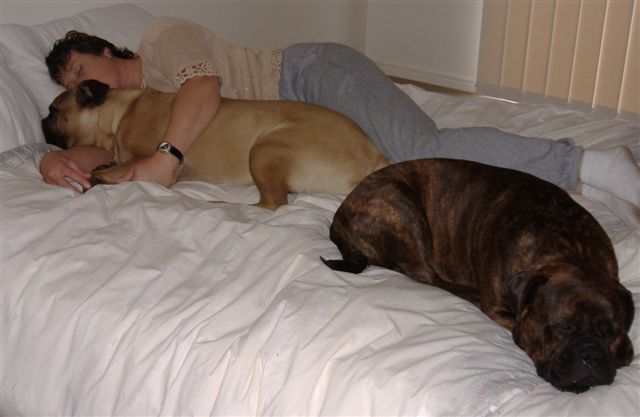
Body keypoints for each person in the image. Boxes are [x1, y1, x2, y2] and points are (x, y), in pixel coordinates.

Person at [40, 17, 640, 207]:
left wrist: (167, 158)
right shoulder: (134, 111)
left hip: (309, 77)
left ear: (104, 52)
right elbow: (104, 149)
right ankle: (564, 180)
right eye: (70, 84)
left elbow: (203, 92)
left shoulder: (161, 40)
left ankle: (590, 163)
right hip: (304, 117)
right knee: (407, 161)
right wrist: (54, 162)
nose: (80, 83)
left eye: (79, 69)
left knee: (417, 149)